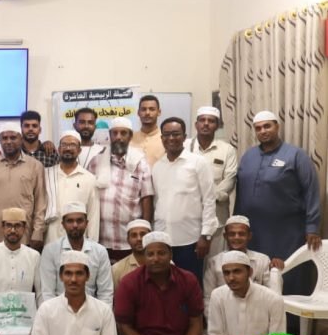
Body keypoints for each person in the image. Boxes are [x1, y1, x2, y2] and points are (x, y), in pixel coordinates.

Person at [234, 110, 321, 332]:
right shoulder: (248, 157)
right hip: (254, 233)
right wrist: (236, 226)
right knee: (256, 278)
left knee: (289, 277)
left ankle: (291, 332)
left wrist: (312, 226)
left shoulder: (296, 155)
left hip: (288, 232)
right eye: (258, 128)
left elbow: (311, 191)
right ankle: (260, 330)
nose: (263, 131)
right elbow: (240, 194)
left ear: (277, 127)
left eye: (267, 126)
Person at [199, 251, 286, 335]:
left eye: (237, 271)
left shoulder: (273, 299)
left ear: (249, 272)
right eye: (226, 273)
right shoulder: (218, 295)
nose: (231, 278)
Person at [152, 117, 218, 285]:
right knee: (164, 286)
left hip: (191, 240)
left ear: (184, 136)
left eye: (176, 134)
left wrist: (206, 235)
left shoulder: (198, 163)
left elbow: (209, 200)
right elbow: (157, 202)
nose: (171, 138)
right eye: (166, 134)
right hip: (163, 240)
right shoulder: (158, 166)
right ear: (162, 138)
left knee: (190, 286)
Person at [88, 117, 153, 262]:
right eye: (115, 133)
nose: (119, 137)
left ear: (130, 136)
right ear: (110, 135)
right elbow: (88, 197)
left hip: (130, 240)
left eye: (123, 133)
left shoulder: (140, 163)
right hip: (101, 238)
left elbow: (147, 198)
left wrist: (145, 231)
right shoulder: (96, 162)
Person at [0, 122, 46, 252]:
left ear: (21, 139)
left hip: (24, 236)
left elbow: (40, 203)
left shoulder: (35, 166)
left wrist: (38, 232)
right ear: (0, 140)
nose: (8, 142)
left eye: (13, 138)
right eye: (4, 138)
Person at [184, 106, 238, 258]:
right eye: (202, 120)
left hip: (217, 219)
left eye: (211, 121)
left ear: (217, 125)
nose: (206, 124)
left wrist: (205, 196)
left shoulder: (227, 150)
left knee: (215, 263)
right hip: (188, 219)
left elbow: (229, 181)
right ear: (196, 124)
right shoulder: (184, 147)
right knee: (190, 263)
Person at [203, 215, 282, 317]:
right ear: (225, 236)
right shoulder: (214, 262)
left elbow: (272, 294)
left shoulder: (262, 260)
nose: (236, 237)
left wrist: (276, 270)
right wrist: (216, 322)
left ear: (249, 236)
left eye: (241, 234)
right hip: (226, 317)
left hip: (257, 316)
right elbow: (208, 298)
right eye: (232, 234)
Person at [40, 202, 112, 306]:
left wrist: (102, 314)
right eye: (70, 221)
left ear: (86, 223)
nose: (75, 225)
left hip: (91, 311)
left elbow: (105, 293)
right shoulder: (50, 251)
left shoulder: (100, 251)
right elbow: (47, 292)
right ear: (63, 224)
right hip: (58, 311)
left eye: (79, 221)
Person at [44, 130, 99, 244]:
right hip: (50, 239)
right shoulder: (47, 174)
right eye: (64, 144)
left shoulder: (89, 178)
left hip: (79, 241)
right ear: (59, 149)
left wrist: (92, 243)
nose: (68, 148)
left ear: (79, 150)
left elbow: (93, 214)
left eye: (73, 145)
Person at [0, 207, 41, 299]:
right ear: (2, 227)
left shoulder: (34, 256)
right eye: (8, 225)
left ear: (24, 228)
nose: (13, 230)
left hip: (25, 308)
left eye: (17, 226)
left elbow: (40, 293)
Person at [110, 220, 151, 290]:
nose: (139, 239)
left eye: (143, 234)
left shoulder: (164, 265)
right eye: (134, 235)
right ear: (128, 240)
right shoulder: (117, 269)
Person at [130, 95, 165, 167]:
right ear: (138, 113)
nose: (147, 113)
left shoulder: (166, 139)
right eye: (143, 109)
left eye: (152, 109)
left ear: (159, 112)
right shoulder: (130, 138)